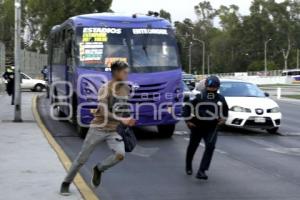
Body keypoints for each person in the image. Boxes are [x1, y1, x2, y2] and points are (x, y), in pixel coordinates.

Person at [60, 61, 136, 196]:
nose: (127, 74)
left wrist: (128, 119)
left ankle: (99, 169)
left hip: (114, 130)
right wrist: (121, 119)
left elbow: (124, 109)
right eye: (125, 72)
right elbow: (104, 111)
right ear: (117, 73)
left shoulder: (126, 89)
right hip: (98, 128)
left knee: (120, 155)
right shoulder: (105, 89)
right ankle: (66, 183)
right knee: (82, 159)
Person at [182, 76, 229, 180]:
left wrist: (223, 119)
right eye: (210, 86)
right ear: (206, 85)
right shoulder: (198, 96)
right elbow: (186, 107)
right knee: (192, 146)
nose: (212, 88)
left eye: (215, 87)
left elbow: (225, 111)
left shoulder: (220, 98)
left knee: (210, 146)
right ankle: (188, 165)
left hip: (212, 127)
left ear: (218, 87)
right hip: (197, 126)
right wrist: (187, 120)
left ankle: (202, 171)